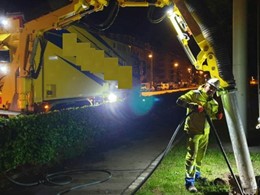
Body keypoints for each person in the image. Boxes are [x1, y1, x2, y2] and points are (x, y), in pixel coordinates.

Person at [176, 78, 223, 193]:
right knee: (192, 156)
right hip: (194, 131)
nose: (211, 90)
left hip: (205, 133)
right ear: (206, 85)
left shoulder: (213, 102)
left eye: (214, 89)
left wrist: (217, 116)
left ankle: (197, 175)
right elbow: (179, 101)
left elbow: (210, 115)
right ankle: (189, 181)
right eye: (210, 87)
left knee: (200, 156)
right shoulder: (194, 95)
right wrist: (193, 106)